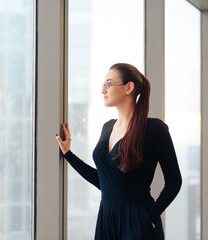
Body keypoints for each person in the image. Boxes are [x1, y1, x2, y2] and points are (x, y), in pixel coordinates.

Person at [55, 63, 182, 240]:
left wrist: (149, 218)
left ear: (128, 87)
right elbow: (104, 181)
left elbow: (174, 182)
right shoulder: (107, 127)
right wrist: (69, 154)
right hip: (106, 221)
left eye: (109, 84)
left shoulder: (154, 129)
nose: (103, 90)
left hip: (138, 223)